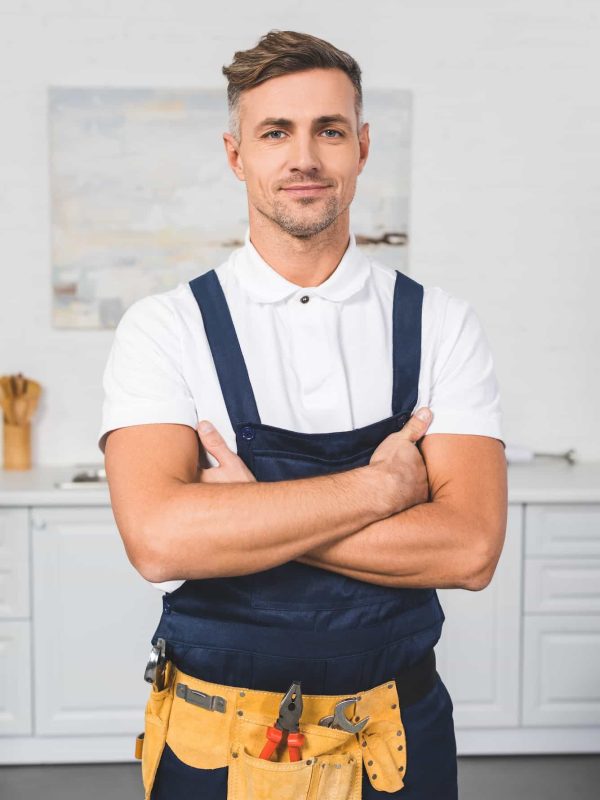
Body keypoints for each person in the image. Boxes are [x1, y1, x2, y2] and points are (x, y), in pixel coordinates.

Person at [99, 29, 507, 800]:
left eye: (329, 130)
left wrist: (248, 513)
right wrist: (381, 489)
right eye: (275, 132)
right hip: (213, 739)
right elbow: (158, 540)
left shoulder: (441, 325)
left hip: (397, 733)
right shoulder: (165, 327)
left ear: (361, 146)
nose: (305, 158)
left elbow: (470, 550)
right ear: (235, 155)